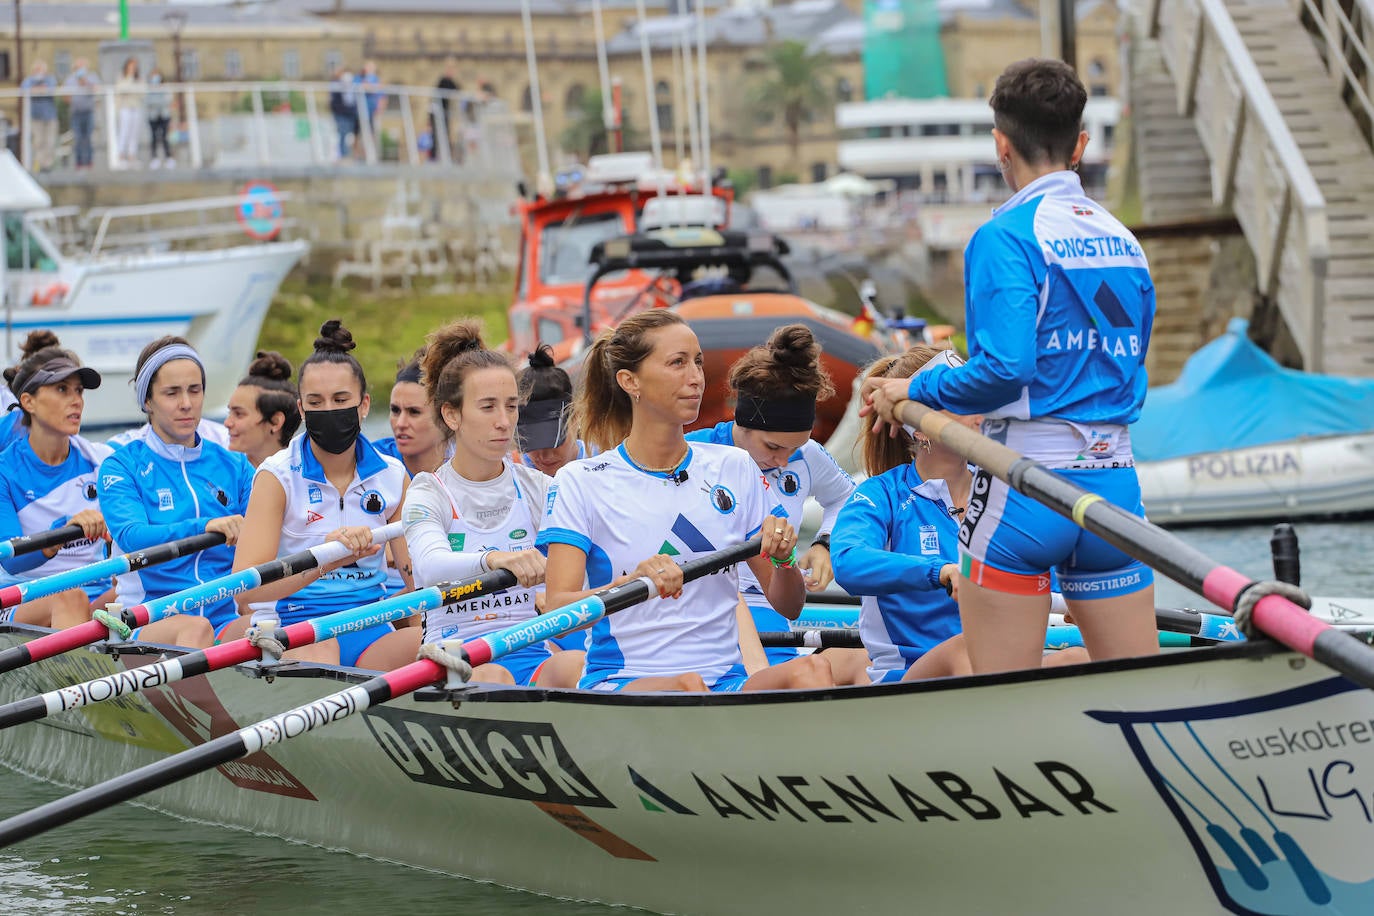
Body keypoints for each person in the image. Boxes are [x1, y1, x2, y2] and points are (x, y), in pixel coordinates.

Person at [863, 58, 1159, 674]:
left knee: (998, 692)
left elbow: (1004, 370)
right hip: (1115, 487)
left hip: (1027, 488)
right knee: (1139, 687)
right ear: (1080, 144)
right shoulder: (1124, 239)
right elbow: (1131, 369)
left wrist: (915, 385)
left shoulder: (1004, 237)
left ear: (1001, 144)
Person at [539, 310, 833, 693]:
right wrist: (632, 585)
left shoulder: (736, 467)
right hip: (623, 680)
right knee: (687, 685)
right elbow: (558, 609)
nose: (695, 377)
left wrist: (784, 561)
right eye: (677, 363)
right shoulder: (580, 481)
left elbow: (790, 606)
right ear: (630, 381)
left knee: (814, 673)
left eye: (697, 362)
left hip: (724, 682)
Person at [394, 320, 582, 685]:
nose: (504, 422)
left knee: (579, 665)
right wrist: (494, 559)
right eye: (488, 407)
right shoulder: (427, 491)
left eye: (511, 407)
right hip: (457, 654)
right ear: (452, 414)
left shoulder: (539, 486)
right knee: (494, 675)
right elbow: (430, 568)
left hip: (530, 650)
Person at [228, 320, 412, 668]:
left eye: (341, 399)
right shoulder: (276, 476)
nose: (329, 410)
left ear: (364, 405)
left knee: (433, 643)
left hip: (369, 625)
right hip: (293, 622)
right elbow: (247, 589)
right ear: (301, 409)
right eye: (317, 401)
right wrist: (322, 562)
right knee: (322, 652)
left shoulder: (392, 475)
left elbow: (417, 579)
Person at [684, 324, 856, 672]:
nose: (782, 461)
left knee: (860, 664)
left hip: (772, 604)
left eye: (794, 449)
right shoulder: (694, 453)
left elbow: (850, 499)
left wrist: (824, 543)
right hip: (702, 608)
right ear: (742, 422)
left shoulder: (808, 455)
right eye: (774, 447)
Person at [97, 337, 252, 647]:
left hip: (223, 618)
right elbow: (132, 536)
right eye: (172, 393)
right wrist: (205, 526)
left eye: (195, 391)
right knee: (195, 630)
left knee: (276, 623)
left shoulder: (235, 465)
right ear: (147, 402)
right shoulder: (121, 466)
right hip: (148, 617)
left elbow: (266, 535)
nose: (186, 403)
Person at [0, 336, 111, 629]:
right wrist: (65, 531)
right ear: (28, 401)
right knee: (70, 598)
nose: (76, 400)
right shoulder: (4, 472)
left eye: (78, 390)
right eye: (62, 389)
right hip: (20, 597)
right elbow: (11, 560)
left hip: (93, 595)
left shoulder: (103, 461)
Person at [515, 344, 596, 477]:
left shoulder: (606, 465)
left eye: (553, 440)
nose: (544, 455)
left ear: (575, 417)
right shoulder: (518, 476)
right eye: (532, 442)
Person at [375, 349, 448, 479]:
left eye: (414, 412)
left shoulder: (470, 466)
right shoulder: (373, 460)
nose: (400, 423)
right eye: (395, 410)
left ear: (446, 416)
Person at [224, 350, 301, 468]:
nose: (227, 423)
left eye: (239, 414)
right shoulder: (217, 474)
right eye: (230, 412)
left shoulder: (306, 480)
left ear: (275, 422)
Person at [21, 61, 58, 173]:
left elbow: (50, 89)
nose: (39, 72)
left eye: (41, 70)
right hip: (36, 117)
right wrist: (39, 89)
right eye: (37, 70)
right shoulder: (29, 80)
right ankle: (39, 164)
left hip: (50, 116)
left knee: (50, 141)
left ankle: (47, 165)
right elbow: (25, 89)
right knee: (38, 141)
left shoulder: (50, 79)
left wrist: (37, 90)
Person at [63, 58, 100, 170]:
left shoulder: (92, 77)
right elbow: (65, 97)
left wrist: (85, 82)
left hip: (88, 112)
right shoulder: (69, 80)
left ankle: (89, 162)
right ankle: (79, 163)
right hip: (76, 113)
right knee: (78, 138)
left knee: (88, 137)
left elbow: (96, 90)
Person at [114, 57, 144, 169]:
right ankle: (121, 156)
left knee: (134, 134)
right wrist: (130, 81)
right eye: (131, 66)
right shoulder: (121, 77)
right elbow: (121, 89)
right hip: (125, 108)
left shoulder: (139, 79)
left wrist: (131, 88)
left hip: (136, 108)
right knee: (124, 132)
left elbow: (142, 93)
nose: (133, 69)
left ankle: (132, 157)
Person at [430, 58, 460, 161]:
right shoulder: (443, 80)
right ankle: (434, 157)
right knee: (436, 134)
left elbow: (457, 89)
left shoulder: (449, 81)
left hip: (443, 112)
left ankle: (442, 156)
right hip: (438, 112)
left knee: (444, 134)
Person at [145, 68, 173, 169]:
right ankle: (154, 158)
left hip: (164, 115)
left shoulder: (165, 87)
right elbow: (147, 101)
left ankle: (168, 157)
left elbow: (168, 99)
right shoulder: (148, 88)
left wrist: (156, 102)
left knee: (165, 137)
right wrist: (158, 102)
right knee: (154, 138)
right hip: (153, 115)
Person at [329, 68, 359, 161]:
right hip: (341, 114)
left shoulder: (353, 87)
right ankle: (343, 155)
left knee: (352, 134)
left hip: (351, 114)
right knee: (343, 133)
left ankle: (351, 155)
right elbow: (333, 102)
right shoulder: (336, 86)